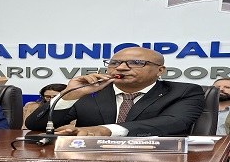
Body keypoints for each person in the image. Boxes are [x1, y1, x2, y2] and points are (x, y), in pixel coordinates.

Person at [25, 47, 205, 136]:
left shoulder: (183, 91)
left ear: (160, 70)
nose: (121, 68)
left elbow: (174, 122)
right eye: (114, 63)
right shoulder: (91, 91)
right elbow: (36, 125)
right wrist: (70, 94)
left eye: (136, 63)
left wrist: (105, 130)